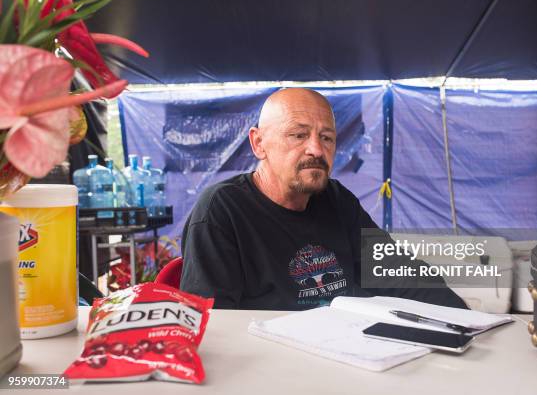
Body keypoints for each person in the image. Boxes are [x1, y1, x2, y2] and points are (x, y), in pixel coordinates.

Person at [180, 88, 467, 310]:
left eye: (327, 138)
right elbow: (215, 323)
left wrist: (467, 320)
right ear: (259, 144)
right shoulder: (222, 211)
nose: (316, 150)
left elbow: (399, 275)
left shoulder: (338, 200)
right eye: (298, 135)